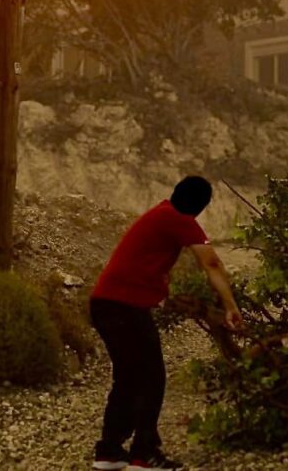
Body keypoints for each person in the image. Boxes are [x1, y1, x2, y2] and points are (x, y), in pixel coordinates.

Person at [89, 176, 243, 471]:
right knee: (151, 377)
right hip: (124, 306)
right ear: (200, 206)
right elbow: (211, 263)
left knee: (129, 377)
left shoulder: (161, 213)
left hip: (104, 303)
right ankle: (143, 454)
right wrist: (231, 306)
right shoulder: (179, 219)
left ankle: (109, 451)